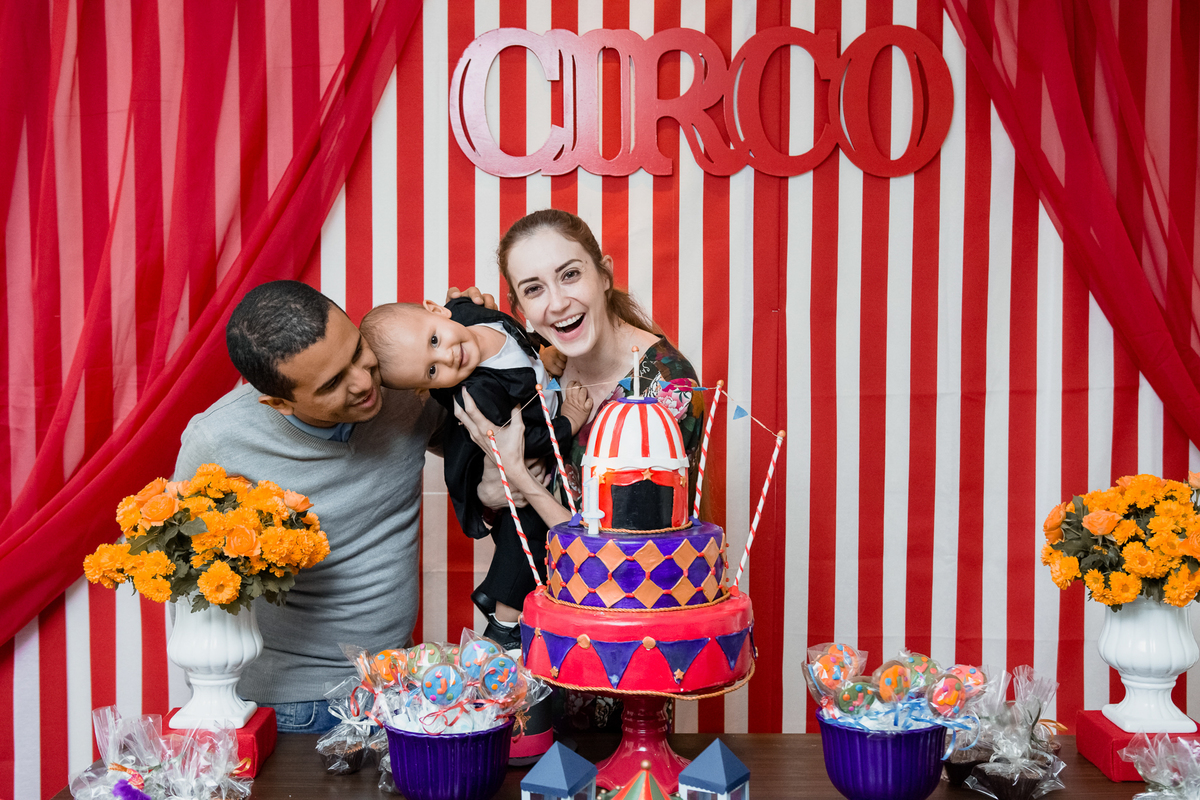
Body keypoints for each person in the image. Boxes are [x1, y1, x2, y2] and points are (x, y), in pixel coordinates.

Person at [173, 280, 487, 734]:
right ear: (278, 402)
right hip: (290, 705)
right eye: (333, 384)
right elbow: (188, 587)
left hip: (397, 687)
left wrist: (482, 331)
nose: (364, 382)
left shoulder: (403, 383)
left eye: (358, 351)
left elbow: (488, 433)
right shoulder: (219, 442)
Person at [470, 209, 708, 625]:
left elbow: (616, 557)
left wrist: (519, 477)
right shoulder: (541, 365)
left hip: (618, 636)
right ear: (519, 306)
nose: (558, 303)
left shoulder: (664, 386)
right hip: (535, 618)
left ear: (604, 275)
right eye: (534, 289)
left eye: (570, 275)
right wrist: (491, 493)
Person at [358, 298, 592, 647]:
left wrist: (541, 356)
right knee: (530, 526)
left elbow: (515, 337)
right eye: (433, 371)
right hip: (514, 452)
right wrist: (570, 420)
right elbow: (527, 440)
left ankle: (498, 603)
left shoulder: (468, 310)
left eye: (434, 340)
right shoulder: (476, 392)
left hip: (533, 422)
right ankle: (504, 620)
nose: (447, 356)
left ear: (438, 310)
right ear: (430, 388)